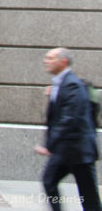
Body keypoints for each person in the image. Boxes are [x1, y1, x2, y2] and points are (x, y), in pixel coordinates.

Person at [35, 48, 100, 211]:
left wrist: (49, 145)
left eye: (50, 58)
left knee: (89, 197)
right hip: (65, 150)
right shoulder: (60, 84)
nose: (46, 61)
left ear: (63, 62)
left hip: (79, 151)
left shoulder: (72, 84)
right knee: (49, 181)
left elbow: (69, 118)